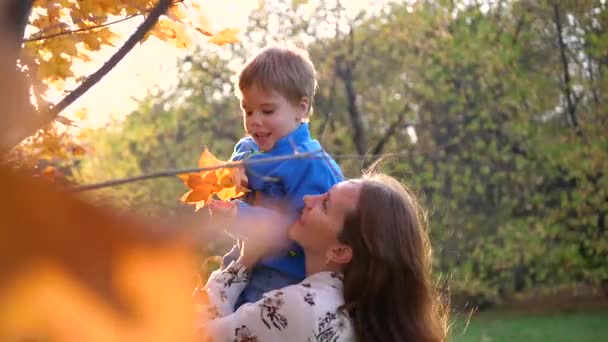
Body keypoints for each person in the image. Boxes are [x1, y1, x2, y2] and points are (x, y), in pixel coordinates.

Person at [199, 173, 449, 342]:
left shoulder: (305, 307)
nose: (308, 199)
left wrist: (242, 263)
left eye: (325, 204)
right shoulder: (359, 313)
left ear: (340, 251)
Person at [208, 42, 343, 308]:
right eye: (247, 110)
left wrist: (240, 215)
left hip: (285, 272)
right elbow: (241, 165)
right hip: (246, 257)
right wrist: (234, 173)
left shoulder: (310, 165)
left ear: (301, 109)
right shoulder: (249, 149)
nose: (255, 120)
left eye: (267, 111)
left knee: (246, 323)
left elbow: (298, 226)